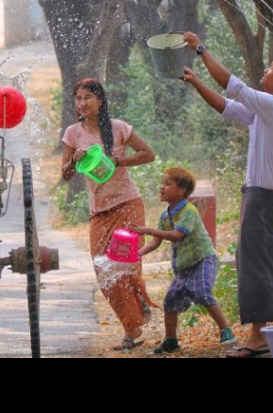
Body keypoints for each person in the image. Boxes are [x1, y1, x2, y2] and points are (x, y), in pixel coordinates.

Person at [180, 31, 273, 358]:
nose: (265, 70)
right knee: (262, 260)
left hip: (264, 200)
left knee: (253, 265)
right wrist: (197, 83)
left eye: (272, 68)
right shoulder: (267, 110)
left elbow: (231, 84)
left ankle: (259, 337)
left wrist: (200, 48)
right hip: (262, 197)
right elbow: (227, 105)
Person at [61, 78, 156, 350]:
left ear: (100, 101)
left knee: (124, 266)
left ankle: (132, 331)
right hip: (99, 212)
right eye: (78, 98)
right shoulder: (72, 134)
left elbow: (148, 154)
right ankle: (135, 316)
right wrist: (73, 161)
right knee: (104, 271)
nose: (82, 103)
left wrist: (118, 160)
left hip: (128, 204)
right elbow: (65, 175)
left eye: (87, 97)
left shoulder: (119, 128)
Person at [133, 167, 236, 354]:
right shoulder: (165, 215)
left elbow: (177, 235)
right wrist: (138, 254)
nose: (161, 187)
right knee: (170, 300)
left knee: (202, 291)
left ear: (181, 191)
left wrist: (148, 230)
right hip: (183, 266)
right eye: (162, 183)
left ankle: (226, 330)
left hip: (203, 259)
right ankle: (171, 341)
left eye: (167, 184)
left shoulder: (189, 211)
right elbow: (156, 242)